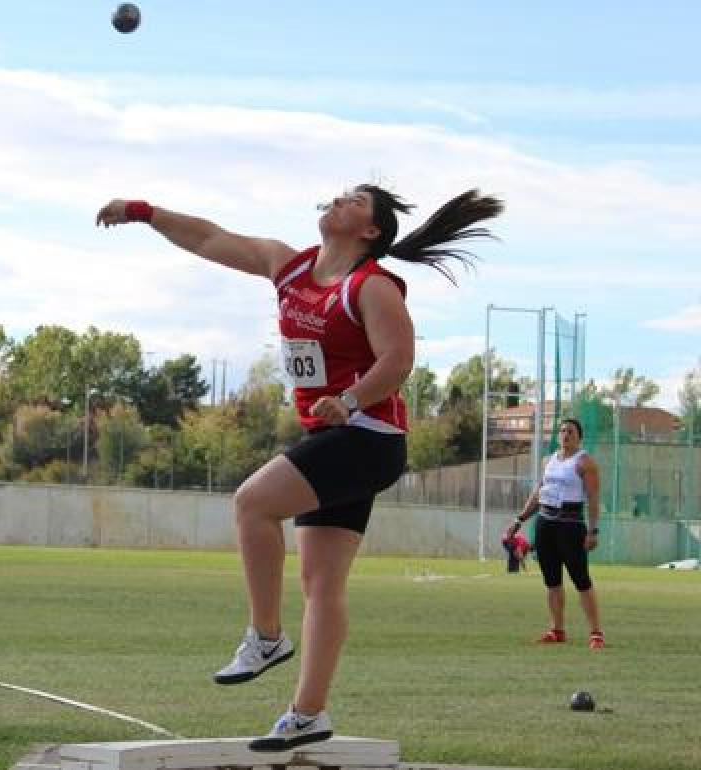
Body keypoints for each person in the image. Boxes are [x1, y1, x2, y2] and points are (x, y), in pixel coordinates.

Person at [96, 185, 503, 750]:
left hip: (367, 437)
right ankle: (308, 714)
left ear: (370, 231)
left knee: (251, 503)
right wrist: (145, 213)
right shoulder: (288, 268)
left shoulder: (373, 286)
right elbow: (211, 239)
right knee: (322, 583)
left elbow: (398, 360)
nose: (337, 201)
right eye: (338, 195)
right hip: (335, 438)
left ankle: (265, 636)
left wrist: (354, 398)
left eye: (354, 201)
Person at [504, 417, 604, 649]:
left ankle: (596, 633)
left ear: (579, 436)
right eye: (562, 431)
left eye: (570, 431)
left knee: (581, 579)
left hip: (571, 525)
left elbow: (593, 498)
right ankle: (557, 630)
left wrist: (592, 530)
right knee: (552, 580)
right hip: (545, 523)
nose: (565, 434)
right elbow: (538, 493)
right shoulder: (549, 461)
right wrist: (519, 520)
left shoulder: (585, 462)